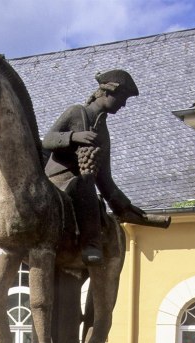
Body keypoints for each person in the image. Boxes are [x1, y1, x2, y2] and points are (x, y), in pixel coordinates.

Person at [43, 69, 147, 265]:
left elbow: (104, 179)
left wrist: (125, 206)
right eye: (122, 98)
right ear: (107, 92)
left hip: (79, 187)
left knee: (86, 184)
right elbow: (47, 140)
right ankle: (91, 243)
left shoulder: (103, 135)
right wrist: (74, 137)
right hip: (54, 181)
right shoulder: (76, 112)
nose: (123, 104)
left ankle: (90, 243)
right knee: (83, 184)